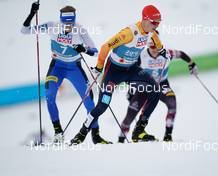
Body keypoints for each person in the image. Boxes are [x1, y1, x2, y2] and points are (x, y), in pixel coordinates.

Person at [70, 5, 164, 144]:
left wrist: (161, 49)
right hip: (114, 71)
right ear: (145, 19)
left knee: (155, 90)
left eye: (159, 22)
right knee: (103, 105)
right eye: (154, 22)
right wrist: (99, 67)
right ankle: (81, 134)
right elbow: (105, 46)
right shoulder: (129, 33)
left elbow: (158, 44)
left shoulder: (152, 32)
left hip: (131, 69)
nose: (157, 25)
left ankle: (139, 131)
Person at [21, 2, 110, 144]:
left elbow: (95, 53)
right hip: (57, 66)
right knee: (49, 95)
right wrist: (32, 13)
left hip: (74, 67)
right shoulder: (52, 26)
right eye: (65, 23)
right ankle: (58, 132)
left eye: (71, 23)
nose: (68, 27)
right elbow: (24, 30)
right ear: (61, 20)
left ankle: (96, 135)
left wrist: (84, 49)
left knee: (89, 101)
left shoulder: (80, 30)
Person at [118, 37, 198, 143]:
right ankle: (121, 140)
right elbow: (131, 72)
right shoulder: (141, 55)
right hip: (145, 87)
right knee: (131, 114)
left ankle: (168, 136)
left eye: (155, 46)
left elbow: (181, 54)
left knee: (172, 104)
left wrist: (191, 63)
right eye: (150, 46)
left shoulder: (167, 53)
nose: (153, 49)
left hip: (162, 85)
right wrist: (131, 89)